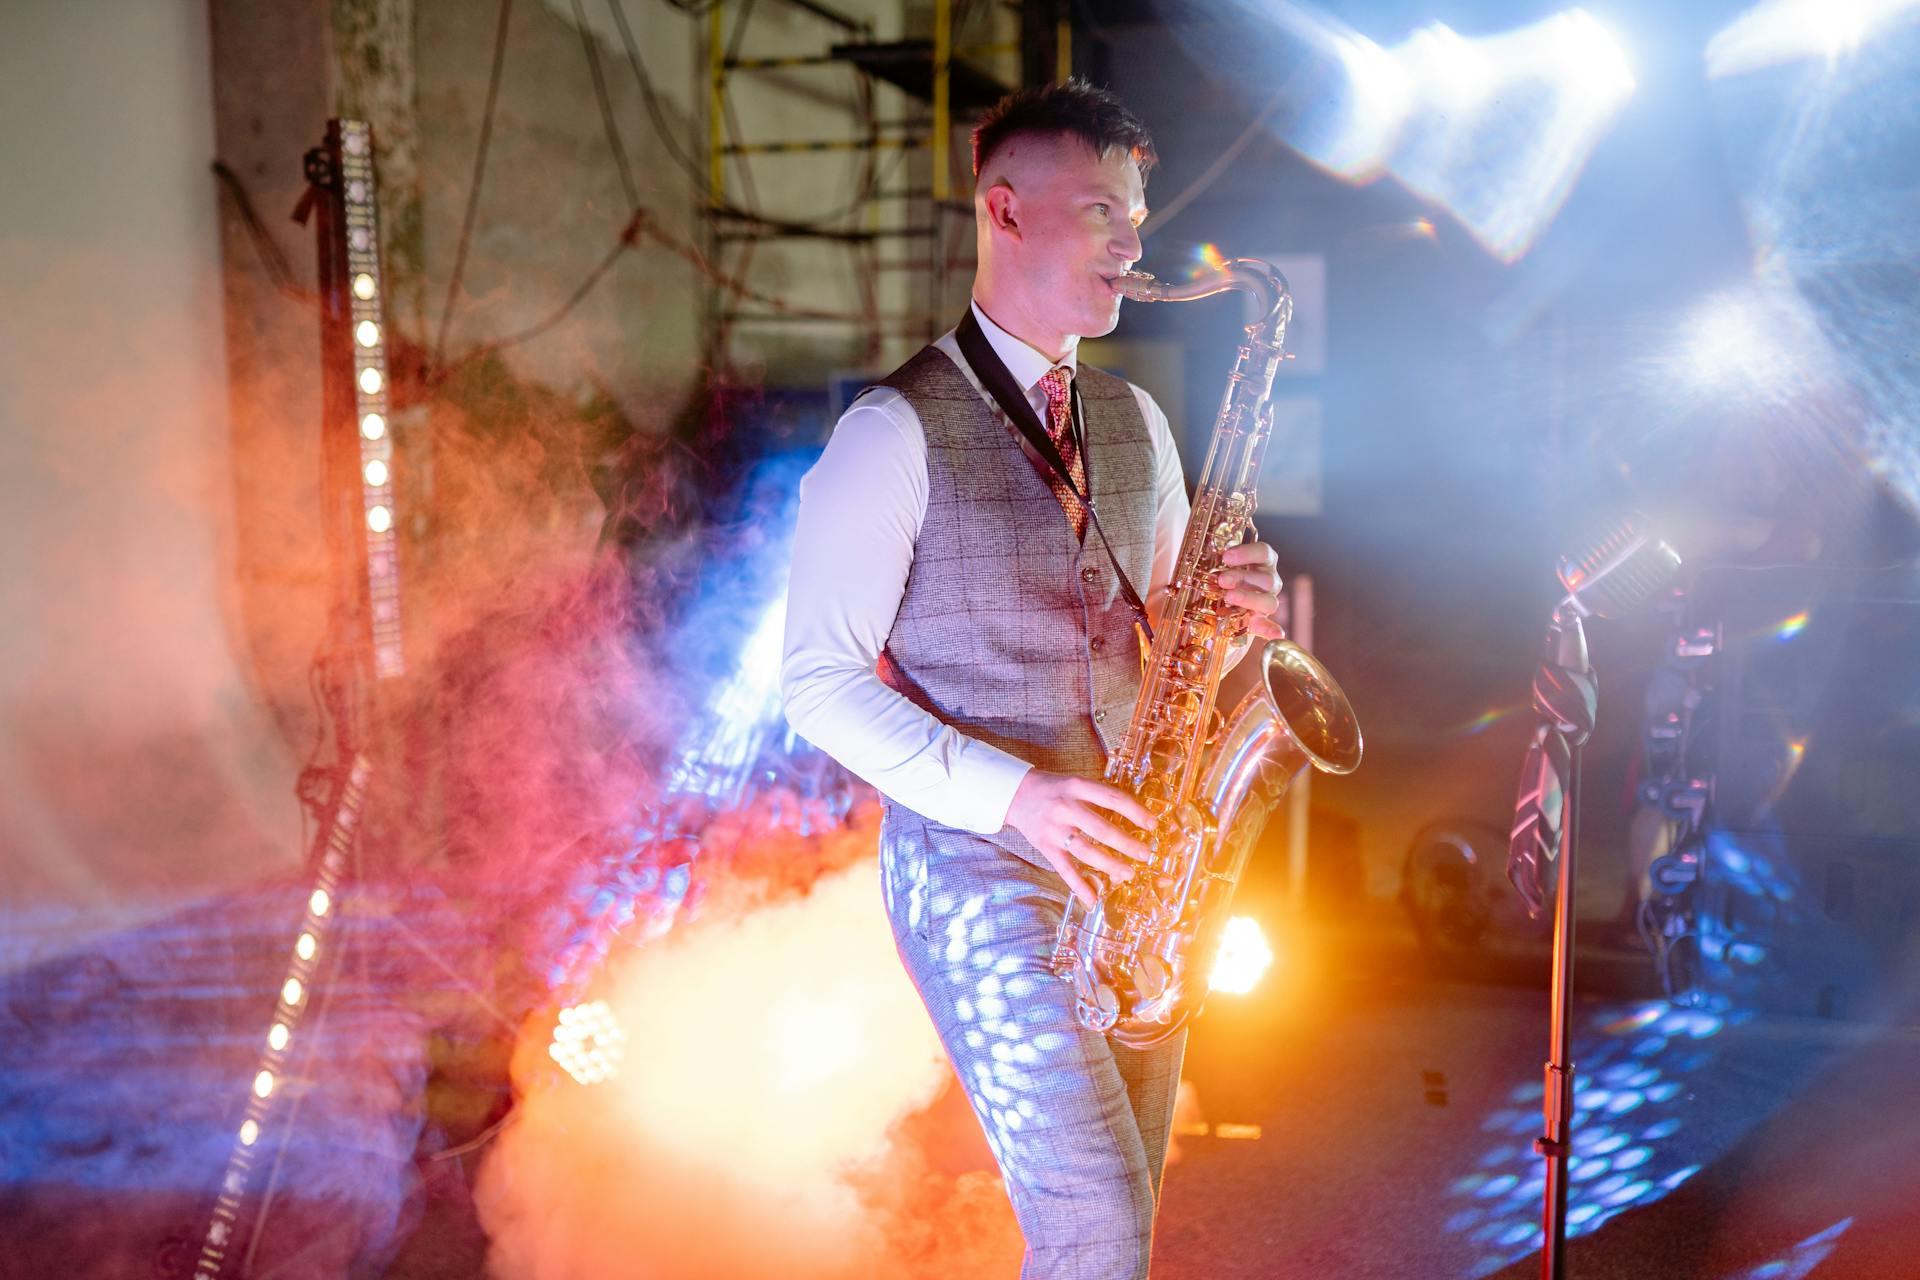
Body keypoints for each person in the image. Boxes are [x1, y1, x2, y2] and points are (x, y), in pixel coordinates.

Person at [780, 79, 1284, 1278]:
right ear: (1006, 213)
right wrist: (1017, 795)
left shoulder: (1138, 421)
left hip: (1132, 864)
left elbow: (1167, 636)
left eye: (1140, 215)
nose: (1135, 241)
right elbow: (817, 683)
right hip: (975, 869)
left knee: (1125, 1217)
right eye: (1105, 209)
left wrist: (1230, 614)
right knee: (1094, 1227)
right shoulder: (890, 433)